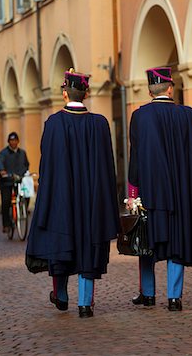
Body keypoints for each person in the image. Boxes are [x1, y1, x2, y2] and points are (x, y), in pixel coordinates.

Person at [26, 68, 119, 318]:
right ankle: (85, 303)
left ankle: (62, 295)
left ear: (65, 93)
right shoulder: (100, 124)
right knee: (88, 246)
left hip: (62, 198)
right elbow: (108, 166)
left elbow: (46, 165)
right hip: (91, 199)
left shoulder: (54, 123)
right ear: (86, 93)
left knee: (61, 243)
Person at [127, 67, 192, 311]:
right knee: (177, 241)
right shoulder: (190, 115)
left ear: (149, 90)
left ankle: (148, 293)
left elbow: (135, 158)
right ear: (170, 88)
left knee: (146, 240)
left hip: (152, 193)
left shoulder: (140, 116)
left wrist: (133, 194)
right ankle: (174, 297)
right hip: (182, 193)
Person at [0, 132, 29, 233]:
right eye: (11, 140)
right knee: (6, 202)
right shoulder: (3, 153)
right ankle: (6, 224)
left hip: (19, 180)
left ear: (18, 141)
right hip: (6, 181)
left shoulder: (22, 153)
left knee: (26, 195)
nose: (13, 142)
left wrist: (25, 173)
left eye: (15, 140)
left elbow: (26, 164)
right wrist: (2, 171)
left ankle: (23, 210)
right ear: (8, 142)